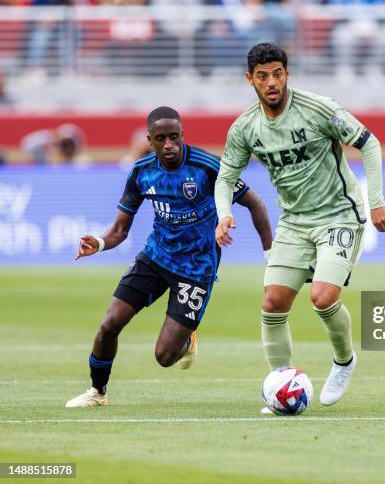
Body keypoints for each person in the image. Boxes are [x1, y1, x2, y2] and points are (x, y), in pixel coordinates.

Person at [214, 43, 385, 410]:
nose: (271, 82)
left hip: (338, 216)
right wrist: (223, 213)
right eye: (262, 76)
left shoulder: (319, 109)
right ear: (250, 80)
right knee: (273, 302)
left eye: (277, 73)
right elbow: (225, 177)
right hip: (294, 224)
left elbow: (370, 144)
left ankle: (344, 361)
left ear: (287, 73)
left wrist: (376, 201)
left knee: (323, 298)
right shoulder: (246, 127)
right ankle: (282, 386)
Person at [65, 106, 273, 407]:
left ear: (182, 135)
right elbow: (120, 229)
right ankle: (97, 393)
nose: (169, 145)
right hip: (156, 256)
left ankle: (187, 338)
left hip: (196, 268)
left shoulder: (207, 167)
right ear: (150, 140)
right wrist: (98, 243)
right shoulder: (141, 172)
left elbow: (256, 204)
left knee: (164, 357)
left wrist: (270, 252)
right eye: (161, 139)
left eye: (174, 137)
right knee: (110, 322)